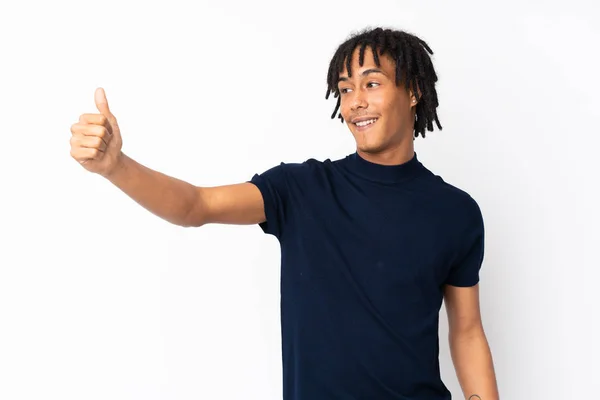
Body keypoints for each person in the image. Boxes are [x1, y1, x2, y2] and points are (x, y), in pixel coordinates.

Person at [69, 27, 499, 400]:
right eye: (346, 89)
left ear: (414, 91)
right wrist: (116, 167)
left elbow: (467, 331)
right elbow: (194, 205)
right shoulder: (301, 190)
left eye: (372, 84)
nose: (355, 103)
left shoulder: (455, 212)